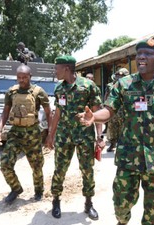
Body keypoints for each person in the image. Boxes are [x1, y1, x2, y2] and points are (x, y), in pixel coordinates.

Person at [77, 38, 154, 225]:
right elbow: (109, 110)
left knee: (152, 215)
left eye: (148, 54)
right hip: (128, 159)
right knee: (120, 206)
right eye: (139, 54)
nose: (141, 58)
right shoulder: (123, 85)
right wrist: (94, 117)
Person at [45, 55, 105, 220]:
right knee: (60, 169)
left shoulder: (88, 86)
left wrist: (99, 136)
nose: (54, 71)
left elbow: (96, 112)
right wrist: (51, 134)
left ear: (66, 69)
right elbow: (57, 113)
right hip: (64, 136)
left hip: (84, 136)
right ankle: (56, 201)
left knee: (87, 170)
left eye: (56, 68)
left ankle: (88, 203)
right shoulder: (59, 88)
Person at [0, 64, 51, 204]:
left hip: (32, 134)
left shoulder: (39, 92)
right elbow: (6, 112)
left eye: (24, 77)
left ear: (30, 77)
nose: (21, 80)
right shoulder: (11, 92)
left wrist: (50, 134)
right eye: (19, 77)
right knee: (5, 164)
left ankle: (39, 190)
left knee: (37, 166)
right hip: (15, 134)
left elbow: (49, 113)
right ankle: (16, 189)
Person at [104, 68, 129, 152]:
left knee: (124, 129)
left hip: (125, 111)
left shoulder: (130, 86)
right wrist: (105, 106)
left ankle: (123, 146)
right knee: (112, 128)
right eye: (118, 75)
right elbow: (107, 96)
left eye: (122, 76)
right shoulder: (110, 85)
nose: (119, 77)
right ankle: (112, 144)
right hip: (113, 111)